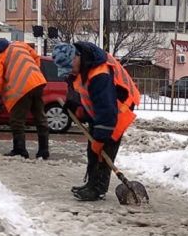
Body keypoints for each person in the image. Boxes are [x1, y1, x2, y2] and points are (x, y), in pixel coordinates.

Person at [52, 41, 140, 201]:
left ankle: (98, 189)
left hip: (119, 109)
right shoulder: (80, 67)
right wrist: (74, 106)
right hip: (102, 109)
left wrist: (100, 138)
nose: (70, 72)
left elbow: (106, 110)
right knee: (93, 149)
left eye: (70, 68)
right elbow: (78, 90)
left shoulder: (100, 74)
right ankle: (91, 184)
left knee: (104, 150)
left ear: (76, 58)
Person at [0, 38, 51, 160]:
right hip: (37, 82)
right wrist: (32, 74)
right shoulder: (19, 45)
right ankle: (44, 150)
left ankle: (20, 150)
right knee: (40, 117)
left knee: (17, 120)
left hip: (20, 88)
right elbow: (36, 57)